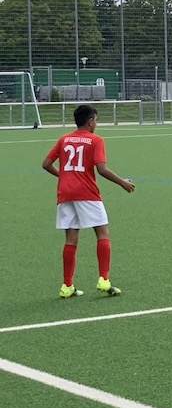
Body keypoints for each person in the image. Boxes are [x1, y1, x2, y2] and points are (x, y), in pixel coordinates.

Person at [42, 104, 135, 299]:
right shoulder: (95, 140)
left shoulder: (64, 138)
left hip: (65, 193)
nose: (96, 124)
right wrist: (122, 182)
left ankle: (67, 286)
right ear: (90, 121)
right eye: (96, 120)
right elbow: (102, 169)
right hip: (86, 192)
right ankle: (104, 279)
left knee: (71, 238)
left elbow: (46, 164)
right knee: (102, 232)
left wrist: (65, 177)